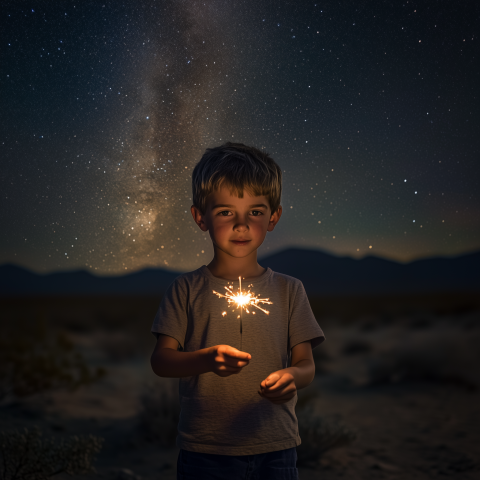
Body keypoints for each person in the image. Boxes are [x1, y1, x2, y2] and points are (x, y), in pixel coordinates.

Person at [150, 142, 325, 480]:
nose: (241, 225)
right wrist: (207, 358)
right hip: (206, 449)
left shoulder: (290, 290)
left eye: (255, 212)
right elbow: (161, 361)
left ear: (274, 216)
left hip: (276, 445)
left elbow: (306, 364)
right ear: (201, 217)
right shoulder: (185, 290)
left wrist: (291, 376)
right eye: (226, 212)